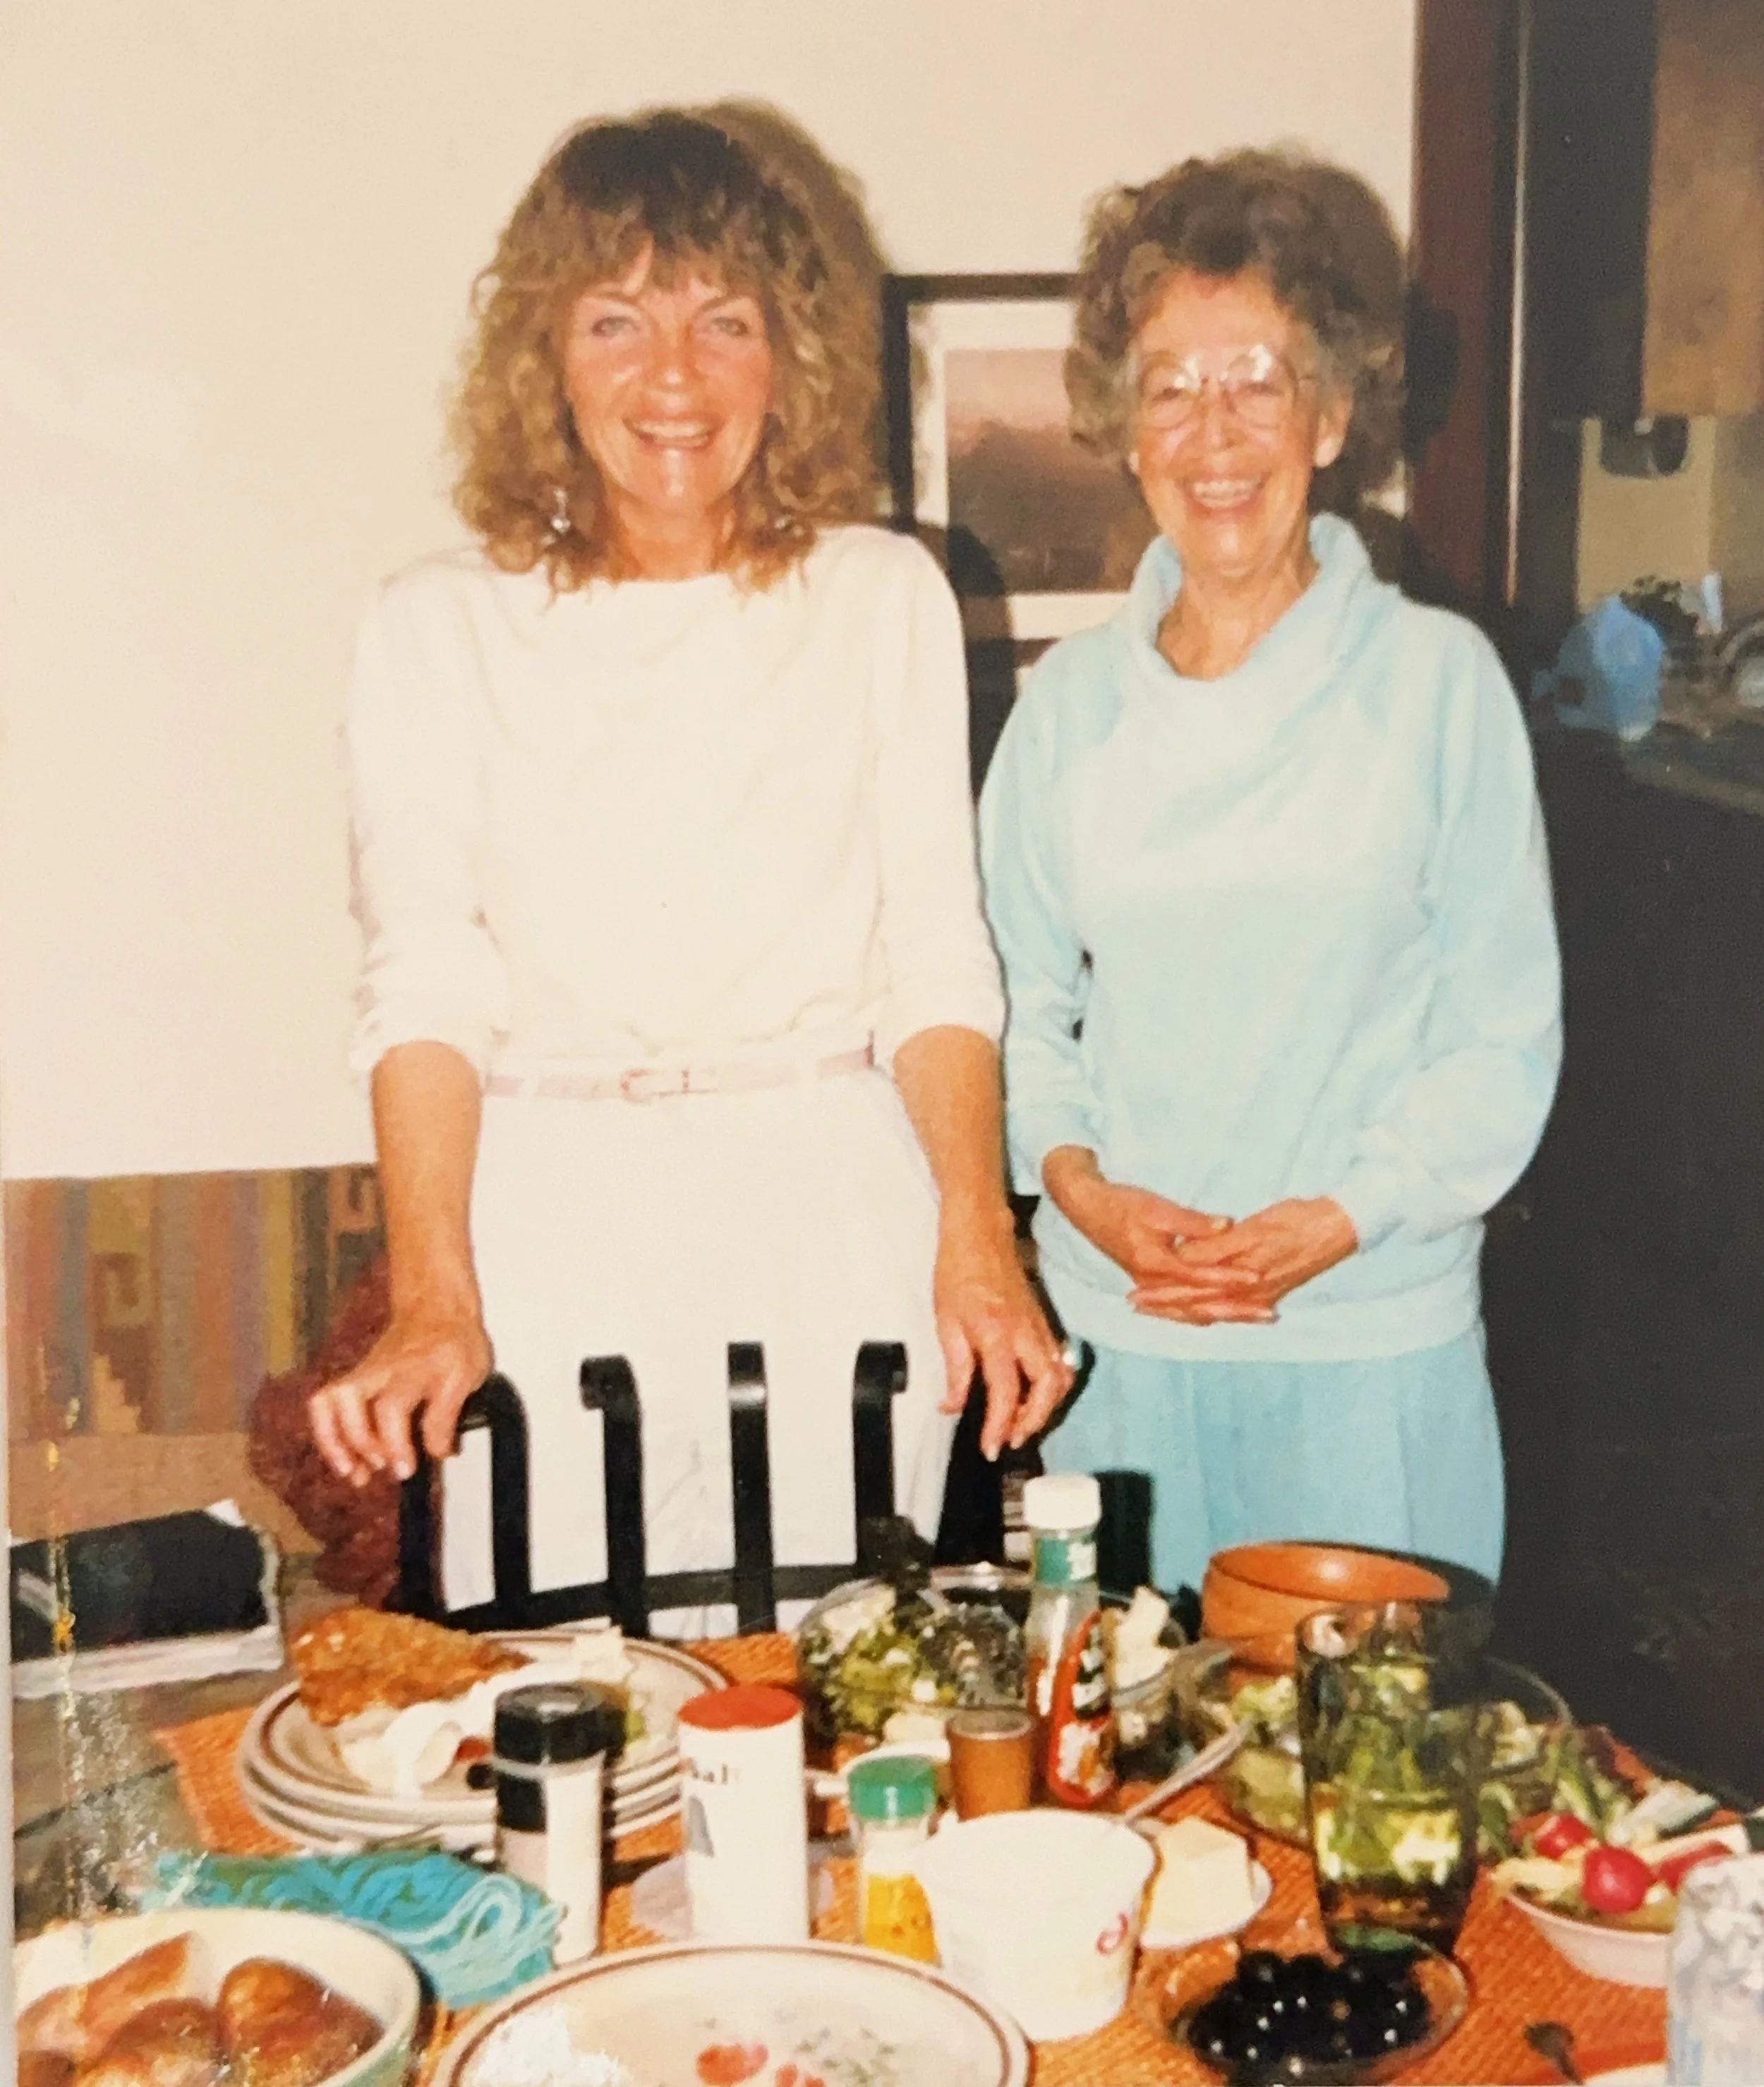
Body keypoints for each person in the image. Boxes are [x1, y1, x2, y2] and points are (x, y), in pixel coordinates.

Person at [307, 107, 1068, 1626]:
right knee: (563, 1719)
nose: (674, 375)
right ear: (547, 357)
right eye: (617, 319)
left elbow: (930, 948)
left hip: (833, 1227)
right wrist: (434, 1293)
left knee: (858, 1713)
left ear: (787, 357)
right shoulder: (431, 625)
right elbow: (426, 982)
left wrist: (978, 1240)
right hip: (556, 1235)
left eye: (725, 319)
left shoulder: (880, 597)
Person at [979, 149, 1560, 1596]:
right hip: (1119, 1356)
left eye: (1257, 376)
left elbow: (1498, 1038)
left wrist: (1339, 1218)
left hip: (1372, 1345)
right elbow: (1012, 1015)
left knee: (1372, 1801)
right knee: (1130, 1782)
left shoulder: (1437, 686)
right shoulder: (1063, 715)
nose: (1213, 429)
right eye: (1169, 383)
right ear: (1122, 428)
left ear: (1333, 414)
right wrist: (1079, 1190)